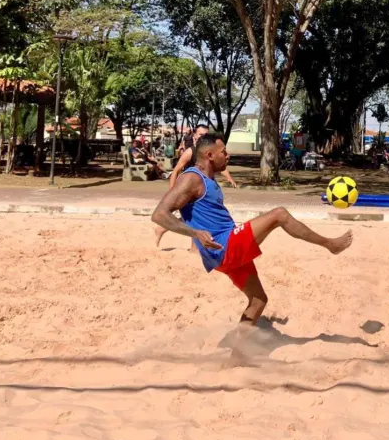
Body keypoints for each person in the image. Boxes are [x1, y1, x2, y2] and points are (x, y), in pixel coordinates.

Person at [151, 134, 353, 350]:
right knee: (279, 214)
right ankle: (330, 245)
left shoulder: (209, 179)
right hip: (224, 246)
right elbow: (159, 214)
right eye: (224, 152)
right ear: (210, 155)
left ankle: (237, 356)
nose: (228, 156)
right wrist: (195, 233)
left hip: (224, 251)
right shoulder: (192, 178)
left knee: (258, 301)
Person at [154, 124, 238, 246]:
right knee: (194, 219)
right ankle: (161, 229)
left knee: (199, 220)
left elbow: (219, 165)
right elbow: (176, 170)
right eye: (201, 134)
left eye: (206, 134)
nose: (204, 137)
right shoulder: (190, 152)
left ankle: (194, 248)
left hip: (200, 187)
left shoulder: (211, 152)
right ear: (194, 136)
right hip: (189, 187)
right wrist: (172, 190)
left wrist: (229, 178)